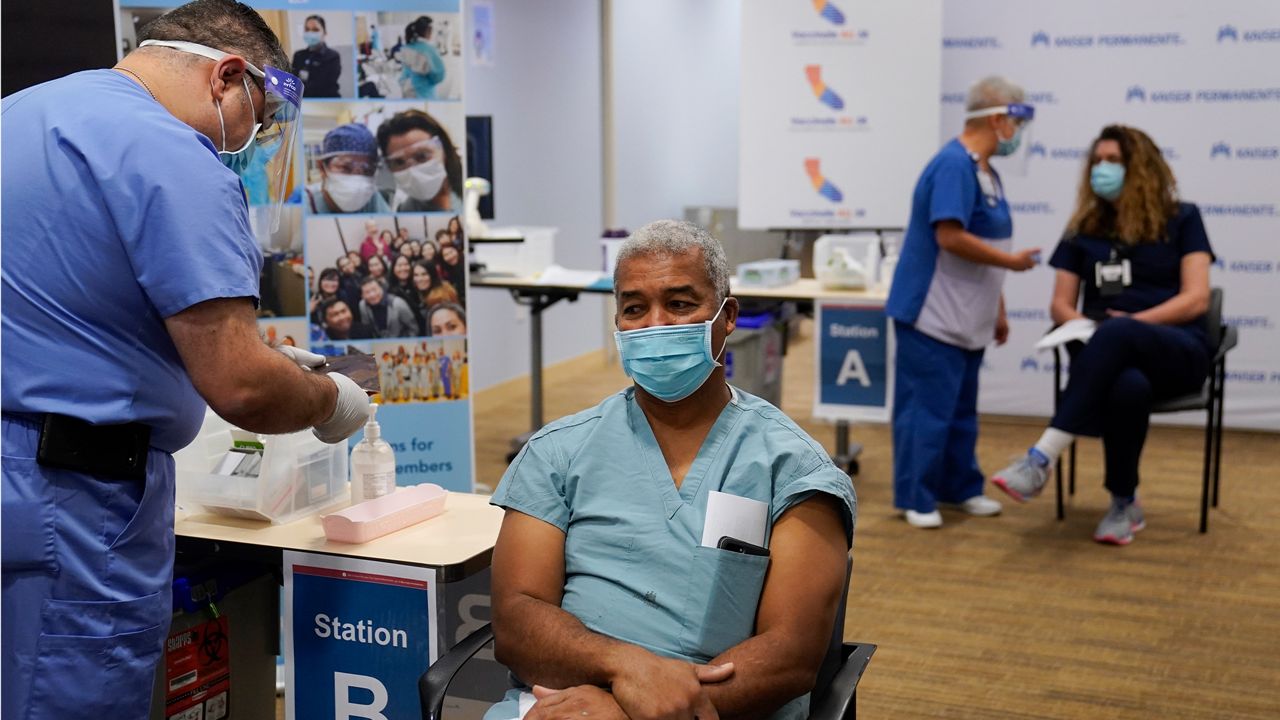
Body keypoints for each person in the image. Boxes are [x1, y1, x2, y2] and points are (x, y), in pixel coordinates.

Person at [0, 2, 371, 716]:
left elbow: (67, 303)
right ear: (228, 76)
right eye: (258, 122)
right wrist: (329, 399)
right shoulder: (173, 154)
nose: (251, 144)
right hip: (69, 504)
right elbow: (242, 388)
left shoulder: (24, 113)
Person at [484, 220, 855, 720]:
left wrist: (630, 713)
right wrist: (624, 671)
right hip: (563, 705)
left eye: (680, 304)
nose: (656, 323)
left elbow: (790, 655)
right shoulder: (558, 452)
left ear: (727, 318)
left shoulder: (791, 469)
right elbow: (516, 620)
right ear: (617, 324)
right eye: (635, 308)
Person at [990, 125, 1215, 545]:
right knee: (1126, 387)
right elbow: (1060, 304)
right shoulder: (1085, 228)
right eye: (1097, 161)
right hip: (1105, 353)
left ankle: (1040, 458)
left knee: (1119, 332)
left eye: (1113, 161)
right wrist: (1085, 325)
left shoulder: (1183, 218)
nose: (1101, 169)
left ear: (1140, 169)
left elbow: (1196, 299)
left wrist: (1131, 325)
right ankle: (1123, 503)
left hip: (1176, 349)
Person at [885, 75, 1042, 530]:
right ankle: (916, 496)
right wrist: (1011, 265)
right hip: (931, 313)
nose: (1020, 134)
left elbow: (987, 248)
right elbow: (949, 236)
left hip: (968, 313)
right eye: (1018, 120)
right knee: (926, 411)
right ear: (998, 118)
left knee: (959, 411)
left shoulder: (985, 170)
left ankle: (959, 488)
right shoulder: (953, 166)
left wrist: (999, 306)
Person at [376, 109, 464, 212]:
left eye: (422, 156)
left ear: (444, 149)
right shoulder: (408, 210)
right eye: (399, 162)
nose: (413, 170)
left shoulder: (472, 179)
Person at [305, 123, 390, 214]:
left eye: (367, 170)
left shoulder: (372, 199)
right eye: (346, 168)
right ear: (322, 167)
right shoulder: (304, 203)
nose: (357, 183)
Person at [397, 16, 446, 99]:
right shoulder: (429, 50)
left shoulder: (407, 48)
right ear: (428, 31)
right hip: (424, 93)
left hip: (407, 90)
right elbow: (439, 76)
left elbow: (404, 74)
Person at [292, 15, 341, 98]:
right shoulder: (298, 55)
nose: (310, 33)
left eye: (315, 30)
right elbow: (293, 81)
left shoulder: (333, 57)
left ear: (324, 33)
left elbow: (323, 85)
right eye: (307, 29)